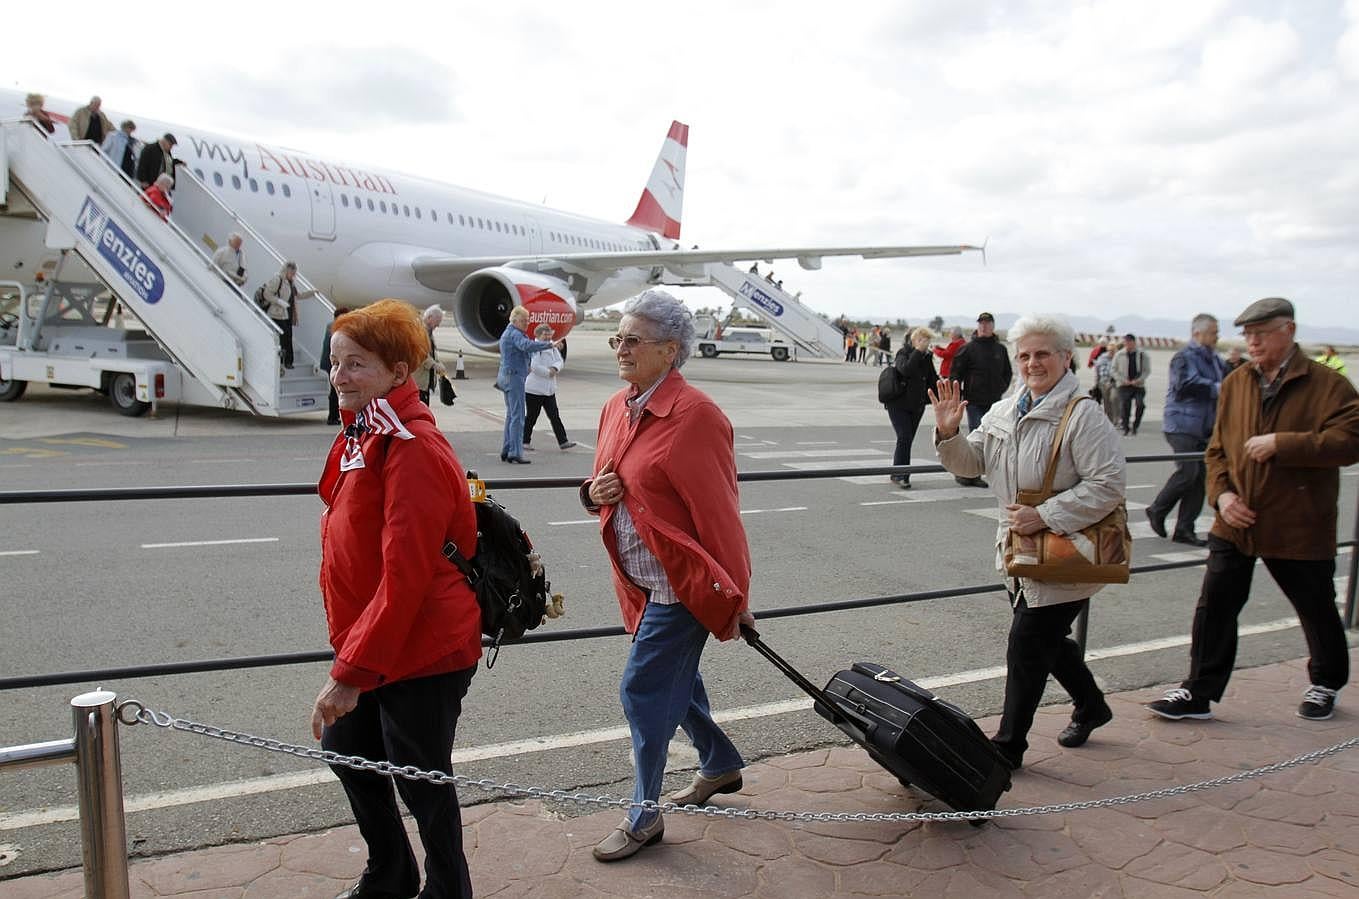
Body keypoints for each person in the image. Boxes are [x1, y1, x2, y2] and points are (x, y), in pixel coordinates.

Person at [312, 300, 481, 899]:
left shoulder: (413, 448)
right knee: (348, 751)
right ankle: (391, 871)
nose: (339, 377)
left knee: (423, 783)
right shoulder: (369, 431)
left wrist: (350, 674)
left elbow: (405, 575)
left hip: (424, 648)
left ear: (399, 373)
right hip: (379, 638)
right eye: (335, 363)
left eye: (356, 364)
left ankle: (446, 890)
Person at [580, 289, 754, 862]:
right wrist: (592, 492)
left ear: (670, 351)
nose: (620, 349)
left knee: (642, 690)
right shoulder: (617, 406)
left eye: (633, 340)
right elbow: (604, 481)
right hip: (637, 580)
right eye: (618, 338)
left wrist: (736, 595)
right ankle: (721, 763)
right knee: (676, 683)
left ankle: (643, 814)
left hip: (681, 586)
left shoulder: (697, 417)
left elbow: (720, 514)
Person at [1147, 298, 1359, 724]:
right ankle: (1198, 691)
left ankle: (1325, 682)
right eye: (1247, 334)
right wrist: (1222, 497)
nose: (1253, 341)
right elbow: (1217, 450)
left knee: (1314, 604)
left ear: (1289, 330)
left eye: (1262, 332)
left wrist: (1285, 444)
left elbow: (1351, 440)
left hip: (1297, 521)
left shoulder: (1326, 384)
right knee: (1215, 606)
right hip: (1236, 519)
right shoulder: (1236, 381)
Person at [931, 314, 1124, 770]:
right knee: (1048, 640)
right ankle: (1092, 706)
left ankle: (1008, 747)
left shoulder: (1083, 414)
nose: (1032, 363)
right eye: (1024, 355)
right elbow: (971, 464)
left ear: (1064, 357)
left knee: (1026, 643)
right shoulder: (1005, 408)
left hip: (1066, 549)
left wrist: (1045, 515)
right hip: (1019, 548)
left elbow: (1109, 484)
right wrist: (948, 432)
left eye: (1042, 354)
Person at [1146, 315, 1227, 547]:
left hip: (1205, 427)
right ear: (1197, 333)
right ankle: (1157, 509)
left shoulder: (1216, 360)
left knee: (1200, 479)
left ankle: (1184, 529)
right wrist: (1217, 388)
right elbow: (1184, 386)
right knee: (1188, 472)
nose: (1217, 336)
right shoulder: (1184, 357)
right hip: (1181, 424)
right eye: (1213, 332)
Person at [947, 312, 1012, 486]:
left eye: (987, 323)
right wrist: (956, 395)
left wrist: (1000, 388)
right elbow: (955, 372)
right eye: (981, 323)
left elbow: (1007, 373)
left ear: (993, 326)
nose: (984, 326)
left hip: (994, 402)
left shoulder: (1000, 349)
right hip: (973, 400)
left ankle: (983, 472)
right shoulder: (968, 348)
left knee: (994, 438)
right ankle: (968, 474)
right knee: (976, 435)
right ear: (978, 326)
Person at [496, 306, 558, 463]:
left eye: (528, 320)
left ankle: (507, 448)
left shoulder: (509, 333)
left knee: (511, 415)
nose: (527, 323)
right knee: (518, 416)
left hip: (507, 377)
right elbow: (526, 346)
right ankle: (515, 452)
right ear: (515, 320)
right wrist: (549, 345)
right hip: (514, 378)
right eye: (524, 321)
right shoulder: (515, 334)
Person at [883, 327, 937, 489]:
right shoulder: (903, 353)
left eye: (926, 340)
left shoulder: (927, 357)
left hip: (916, 405)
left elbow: (932, 380)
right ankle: (902, 474)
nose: (924, 343)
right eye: (921, 340)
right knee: (904, 437)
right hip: (898, 404)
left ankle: (896, 471)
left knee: (906, 440)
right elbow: (905, 369)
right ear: (913, 340)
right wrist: (918, 352)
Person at [524, 323, 576, 451]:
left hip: (549, 390)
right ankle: (524, 441)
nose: (548, 337)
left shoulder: (552, 346)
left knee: (554, 416)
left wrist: (555, 368)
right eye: (545, 335)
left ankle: (563, 441)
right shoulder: (535, 348)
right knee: (531, 416)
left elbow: (560, 360)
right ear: (538, 335)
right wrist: (548, 373)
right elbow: (534, 366)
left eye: (549, 334)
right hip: (534, 390)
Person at [261, 262, 317, 369]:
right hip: (276, 313)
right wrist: (279, 301)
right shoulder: (278, 280)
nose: (294, 275)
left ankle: (288, 362)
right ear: (287, 271)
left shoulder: (291, 282)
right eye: (292, 273)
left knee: (288, 337)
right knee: (283, 337)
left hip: (286, 314)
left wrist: (312, 293)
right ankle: (283, 361)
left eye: (294, 273)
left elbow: (298, 295)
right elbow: (267, 294)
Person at [1112, 333, 1150, 436]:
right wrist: (1122, 380)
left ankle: (1135, 426)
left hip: (1138, 385)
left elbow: (1147, 370)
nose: (1127, 344)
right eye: (1126, 342)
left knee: (1140, 405)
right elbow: (1114, 370)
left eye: (1129, 342)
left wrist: (1139, 380)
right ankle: (1125, 427)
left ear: (1134, 342)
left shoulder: (1142, 354)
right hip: (1124, 385)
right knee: (1125, 406)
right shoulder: (1119, 355)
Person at [414, 305, 446, 405]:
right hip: (418, 382)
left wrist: (438, 363)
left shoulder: (429, 332)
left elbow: (431, 352)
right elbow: (420, 353)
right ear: (429, 318)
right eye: (437, 321)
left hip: (425, 382)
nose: (438, 325)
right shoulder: (419, 331)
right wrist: (435, 365)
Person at [319, 308, 343, 426]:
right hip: (331, 364)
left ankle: (334, 416)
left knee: (335, 391)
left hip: (330, 363)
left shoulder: (332, 325)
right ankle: (332, 417)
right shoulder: (335, 327)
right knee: (335, 391)